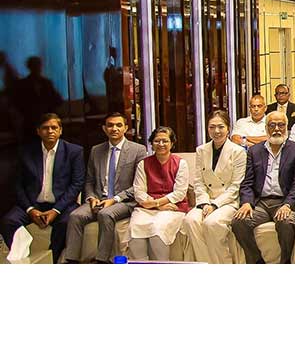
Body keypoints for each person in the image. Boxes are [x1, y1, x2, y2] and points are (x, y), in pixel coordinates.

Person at [1, 113, 85, 263]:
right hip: (33, 204)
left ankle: (51, 260)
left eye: (54, 127)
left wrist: (56, 210)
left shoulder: (74, 151)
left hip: (62, 205)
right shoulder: (26, 152)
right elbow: (18, 184)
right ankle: (21, 259)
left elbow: (77, 184)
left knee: (65, 223)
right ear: (38, 131)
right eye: (45, 128)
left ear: (60, 130)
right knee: (8, 221)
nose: (50, 131)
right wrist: (30, 210)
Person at [63, 112, 146, 263]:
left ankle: (102, 260)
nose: (114, 128)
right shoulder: (96, 150)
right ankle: (71, 260)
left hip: (124, 201)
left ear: (126, 128)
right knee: (75, 216)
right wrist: (91, 197)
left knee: (106, 214)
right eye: (110, 125)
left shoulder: (138, 150)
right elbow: (89, 180)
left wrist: (114, 200)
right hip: (99, 199)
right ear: (104, 128)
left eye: (118, 125)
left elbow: (139, 185)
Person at [233, 111, 295, 264]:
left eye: (281, 125)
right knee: (238, 222)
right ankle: (257, 261)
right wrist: (247, 202)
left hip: (285, 201)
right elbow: (247, 182)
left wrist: (288, 205)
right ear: (266, 128)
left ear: (287, 127)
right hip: (261, 203)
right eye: (272, 125)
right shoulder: (254, 151)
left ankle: (285, 263)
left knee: (285, 222)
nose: (277, 129)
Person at [183, 110, 247, 264]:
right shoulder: (201, 150)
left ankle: (223, 264)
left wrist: (214, 205)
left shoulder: (238, 152)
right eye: (212, 127)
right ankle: (206, 263)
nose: (216, 131)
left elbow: (235, 186)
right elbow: (198, 181)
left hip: (228, 202)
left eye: (221, 127)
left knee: (212, 223)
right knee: (190, 220)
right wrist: (205, 202)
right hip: (206, 200)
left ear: (228, 129)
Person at [128, 126, 190, 261]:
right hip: (146, 207)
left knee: (158, 229)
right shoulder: (143, 164)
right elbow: (139, 192)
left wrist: (157, 203)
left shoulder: (181, 163)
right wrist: (156, 205)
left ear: (172, 143)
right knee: (135, 228)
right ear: (151, 143)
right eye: (157, 141)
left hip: (174, 206)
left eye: (165, 141)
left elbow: (179, 193)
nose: (161, 144)